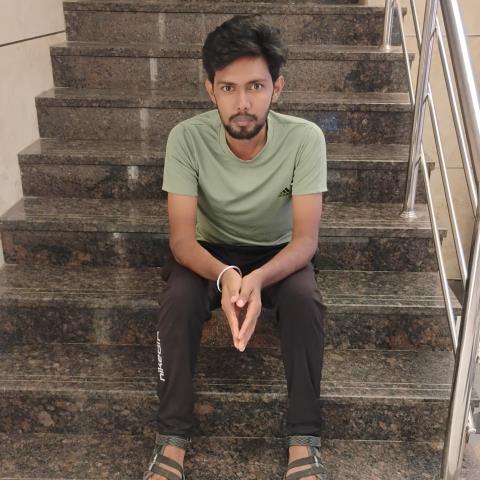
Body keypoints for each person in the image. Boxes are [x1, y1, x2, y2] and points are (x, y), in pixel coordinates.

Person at [143, 15, 328, 480]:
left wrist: (258, 279)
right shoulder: (187, 137)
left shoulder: (305, 139)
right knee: (178, 299)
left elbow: (306, 239)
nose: (242, 103)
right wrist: (226, 275)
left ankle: (303, 438)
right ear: (210, 89)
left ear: (277, 88)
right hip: (208, 250)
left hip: (277, 252)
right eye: (228, 88)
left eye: (255, 87)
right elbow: (181, 239)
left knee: (305, 300)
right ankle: (172, 439)